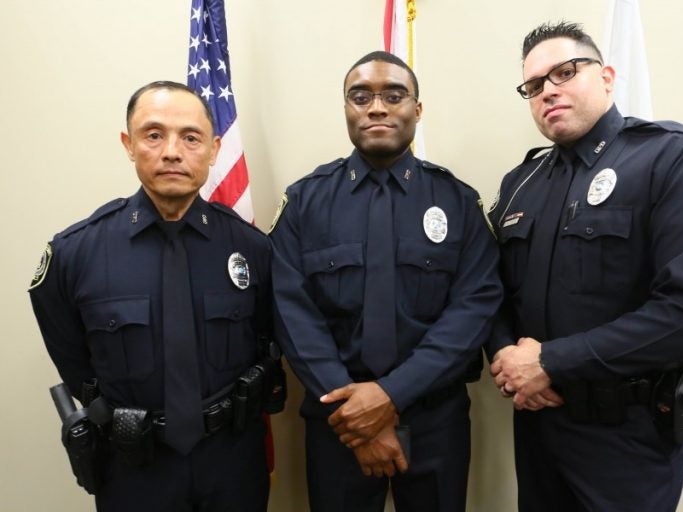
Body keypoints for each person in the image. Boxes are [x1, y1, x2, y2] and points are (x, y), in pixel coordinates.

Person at [488, 21, 683, 511]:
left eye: (565, 72)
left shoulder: (674, 158)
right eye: (534, 85)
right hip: (539, 423)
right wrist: (507, 358)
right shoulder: (521, 182)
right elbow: (496, 290)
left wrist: (549, 362)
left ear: (607, 77)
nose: (549, 91)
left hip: (628, 434)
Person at [28, 81, 282, 512]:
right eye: (153, 135)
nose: (171, 152)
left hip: (231, 460)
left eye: (190, 137)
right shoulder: (76, 254)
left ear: (215, 149)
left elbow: (265, 336)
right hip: (134, 467)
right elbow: (71, 355)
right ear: (129, 145)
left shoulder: (253, 249)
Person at [270, 51, 502, 512]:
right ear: (346, 110)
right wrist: (357, 417)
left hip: (434, 418)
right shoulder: (304, 203)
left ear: (417, 109)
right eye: (361, 97)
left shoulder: (457, 202)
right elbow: (291, 314)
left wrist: (391, 396)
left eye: (393, 95)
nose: (376, 107)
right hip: (338, 421)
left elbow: (473, 310)